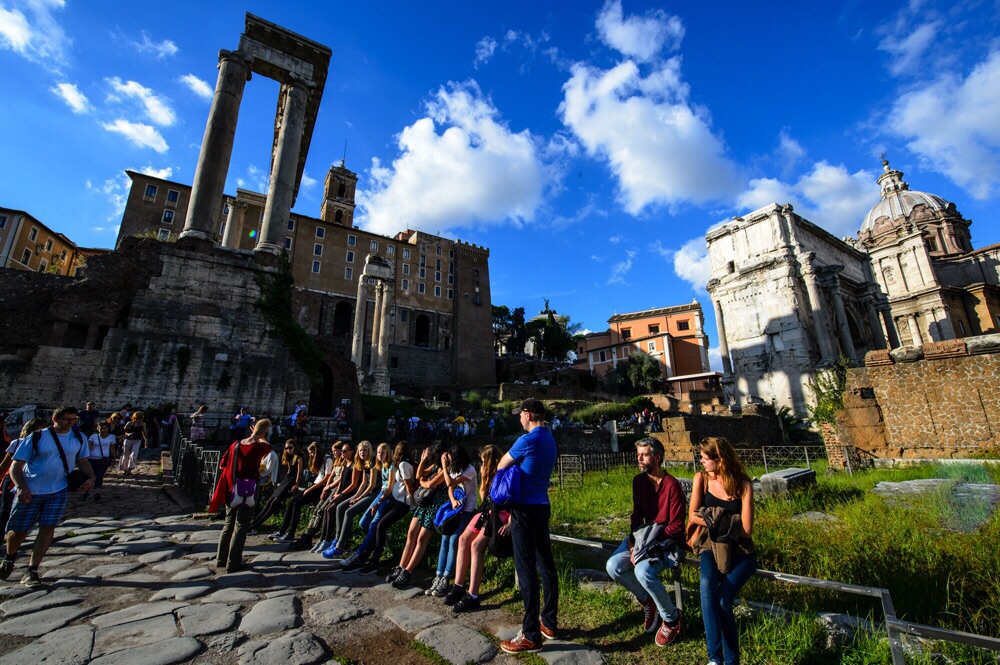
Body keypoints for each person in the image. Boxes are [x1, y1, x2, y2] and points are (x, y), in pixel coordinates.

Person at [1, 407, 95, 587]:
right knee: (18, 531)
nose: (71, 422)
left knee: (47, 528)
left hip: (58, 489)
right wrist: (21, 487)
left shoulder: (79, 438)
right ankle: (9, 557)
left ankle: (32, 570)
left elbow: (82, 460)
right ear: (55, 418)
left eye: (74, 419)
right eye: (67, 419)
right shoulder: (36, 437)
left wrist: (91, 477)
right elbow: (15, 466)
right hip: (31, 488)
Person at [605, 437, 686, 646]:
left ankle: (671, 619)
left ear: (657, 458)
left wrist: (646, 547)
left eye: (645, 455)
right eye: (638, 454)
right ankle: (646, 599)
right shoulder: (638, 482)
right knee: (613, 566)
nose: (639, 458)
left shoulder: (672, 486)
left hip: (664, 541)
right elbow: (636, 516)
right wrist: (633, 544)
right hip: (641, 538)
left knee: (643, 572)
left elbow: (676, 526)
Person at [498, 398, 559, 654]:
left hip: (523, 509)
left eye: (519, 415)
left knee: (526, 571)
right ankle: (549, 622)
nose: (518, 419)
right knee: (545, 564)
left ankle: (531, 634)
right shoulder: (550, 439)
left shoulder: (527, 440)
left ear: (527, 414)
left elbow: (502, 465)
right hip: (542, 504)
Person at [688, 437, 756, 665]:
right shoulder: (701, 479)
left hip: (739, 550)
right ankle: (714, 659)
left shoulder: (744, 485)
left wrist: (714, 516)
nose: (702, 462)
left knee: (724, 602)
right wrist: (724, 520)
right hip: (710, 544)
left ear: (720, 460)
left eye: (706, 459)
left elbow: (746, 530)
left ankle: (731, 661)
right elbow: (693, 516)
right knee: (706, 582)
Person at [443, 444, 508, 613]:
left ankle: (473, 595)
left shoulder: (505, 473)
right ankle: (458, 586)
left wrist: (510, 522)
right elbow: (483, 496)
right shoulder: (487, 473)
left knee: (476, 546)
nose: (482, 464)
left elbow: (510, 499)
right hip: (486, 510)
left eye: (484, 461)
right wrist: (485, 477)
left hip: (500, 512)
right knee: (463, 539)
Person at [342, 441, 415, 575]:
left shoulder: (400, 465)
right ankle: (367, 550)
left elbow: (405, 486)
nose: (380, 455)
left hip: (395, 499)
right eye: (379, 452)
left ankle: (363, 556)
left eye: (383, 452)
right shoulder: (386, 465)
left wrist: (414, 502)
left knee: (377, 525)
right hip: (391, 497)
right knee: (369, 524)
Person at [210, 419, 273, 573]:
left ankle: (221, 559)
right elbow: (269, 447)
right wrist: (261, 435)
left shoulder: (235, 445)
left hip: (232, 487)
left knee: (228, 523)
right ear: (265, 432)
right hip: (248, 489)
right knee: (241, 525)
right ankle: (233, 562)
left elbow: (222, 464)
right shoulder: (260, 446)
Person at [388, 441, 448, 589]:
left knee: (421, 538)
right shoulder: (435, 466)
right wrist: (422, 461)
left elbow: (429, 484)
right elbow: (419, 475)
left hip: (436, 506)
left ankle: (408, 572)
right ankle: (401, 567)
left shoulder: (446, 469)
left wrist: (423, 481)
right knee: (411, 533)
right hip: (426, 503)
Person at [426, 445, 478, 597]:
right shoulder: (454, 468)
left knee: (454, 539)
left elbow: (449, 483)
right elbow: (450, 488)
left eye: (450, 457)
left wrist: (444, 467)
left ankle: (447, 576)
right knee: (445, 539)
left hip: (467, 510)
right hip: (455, 509)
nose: (448, 460)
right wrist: (453, 499)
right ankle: (439, 575)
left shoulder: (469, 470)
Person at [323, 441, 379, 558]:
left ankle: (340, 546)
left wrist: (359, 497)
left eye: (365, 450)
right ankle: (337, 539)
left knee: (349, 512)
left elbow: (371, 485)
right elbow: (363, 483)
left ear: (369, 451)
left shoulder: (373, 463)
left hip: (374, 494)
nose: (362, 452)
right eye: (360, 450)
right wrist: (355, 497)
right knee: (340, 507)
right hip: (365, 493)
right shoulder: (364, 463)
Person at [274, 442, 331, 541]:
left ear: (316, 451)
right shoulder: (320, 460)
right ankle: (282, 531)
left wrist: (310, 488)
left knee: (297, 504)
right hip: (315, 484)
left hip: (319, 487)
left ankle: (291, 533)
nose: (310, 455)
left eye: (312, 452)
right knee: (292, 502)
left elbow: (326, 477)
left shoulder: (328, 459)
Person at [0, 419, 47, 537]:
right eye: (39, 428)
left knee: (26, 510)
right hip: (12, 479)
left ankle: (16, 537)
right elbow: (6, 463)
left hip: (33, 479)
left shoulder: (46, 443)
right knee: (5, 510)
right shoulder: (17, 442)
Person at [250, 440, 303, 532]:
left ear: (295, 447)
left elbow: (299, 472)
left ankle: (256, 525)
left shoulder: (298, 457)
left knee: (274, 502)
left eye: (290, 447)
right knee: (270, 501)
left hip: (291, 481)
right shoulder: (289, 457)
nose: (288, 450)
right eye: (286, 448)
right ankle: (254, 523)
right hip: (286, 480)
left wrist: (296, 484)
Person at [84, 421, 117, 502]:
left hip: (103, 459)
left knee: (99, 476)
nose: (103, 430)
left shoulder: (112, 437)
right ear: (98, 429)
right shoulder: (93, 437)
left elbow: (112, 448)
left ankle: (96, 493)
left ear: (108, 428)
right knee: (90, 476)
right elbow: (89, 447)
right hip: (92, 458)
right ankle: (86, 491)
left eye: (105, 428)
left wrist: (114, 457)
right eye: (101, 428)